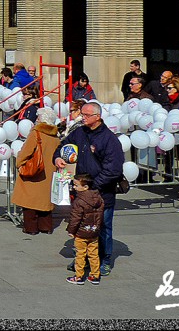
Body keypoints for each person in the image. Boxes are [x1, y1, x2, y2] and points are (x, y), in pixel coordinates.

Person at [54, 102, 123, 276]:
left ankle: (105, 260)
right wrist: (57, 158)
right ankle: (83, 258)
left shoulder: (109, 139)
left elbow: (113, 170)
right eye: (82, 114)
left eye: (86, 115)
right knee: (83, 225)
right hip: (82, 192)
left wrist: (92, 186)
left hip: (101, 193)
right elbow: (62, 146)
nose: (82, 117)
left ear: (97, 117)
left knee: (104, 226)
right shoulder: (79, 132)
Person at [11, 107, 61, 234]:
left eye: (38, 117)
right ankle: (46, 227)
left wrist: (19, 163)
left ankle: (31, 228)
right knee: (45, 201)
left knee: (29, 201)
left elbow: (26, 151)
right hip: (49, 172)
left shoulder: (36, 133)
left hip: (34, 170)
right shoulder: (56, 136)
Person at [65, 174, 104, 286]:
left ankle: (79, 276)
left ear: (85, 187)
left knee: (80, 255)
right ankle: (95, 275)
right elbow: (100, 215)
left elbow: (75, 218)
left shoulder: (79, 201)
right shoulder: (99, 198)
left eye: (76, 185)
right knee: (93, 254)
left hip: (81, 233)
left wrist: (71, 231)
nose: (74, 187)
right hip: (94, 231)